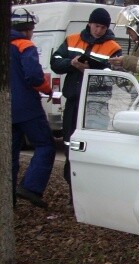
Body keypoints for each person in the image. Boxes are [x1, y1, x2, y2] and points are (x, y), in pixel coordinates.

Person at [50, 7, 122, 194]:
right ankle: (72, 187)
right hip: (73, 103)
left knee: (93, 147)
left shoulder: (113, 47)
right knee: (69, 144)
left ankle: (91, 189)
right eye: (97, 26)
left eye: (103, 28)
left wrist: (91, 71)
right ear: (89, 23)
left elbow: (115, 76)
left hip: (96, 106)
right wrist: (71, 63)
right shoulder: (72, 39)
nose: (99, 31)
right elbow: (55, 62)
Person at [10, 8, 56, 209]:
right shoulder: (25, 46)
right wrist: (47, 89)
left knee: (9, 155)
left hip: (7, 110)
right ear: (28, 30)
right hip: (28, 108)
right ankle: (31, 187)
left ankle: (7, 200)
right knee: (46, 145)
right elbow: (35, 77)